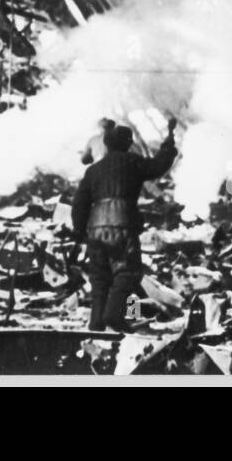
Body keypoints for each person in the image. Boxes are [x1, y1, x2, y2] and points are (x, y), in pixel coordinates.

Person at [72, 120, 178, 331]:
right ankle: (114, 314)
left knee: (99, 280)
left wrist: (79, 232)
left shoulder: (93, 171)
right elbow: (158, 166)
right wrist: (168, 145)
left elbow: (79, 203)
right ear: (128, 143)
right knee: (127, 273)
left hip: (95, 228)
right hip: (122, 225)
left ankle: (96, 325)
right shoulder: (133, 162)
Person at [80, 117, 149, 165]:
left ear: (100, 128)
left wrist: (88, 155)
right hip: (125, 165)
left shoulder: (92, 140)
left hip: (103, 171)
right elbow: (137, 150)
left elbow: (84, 160)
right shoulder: (121, 133)